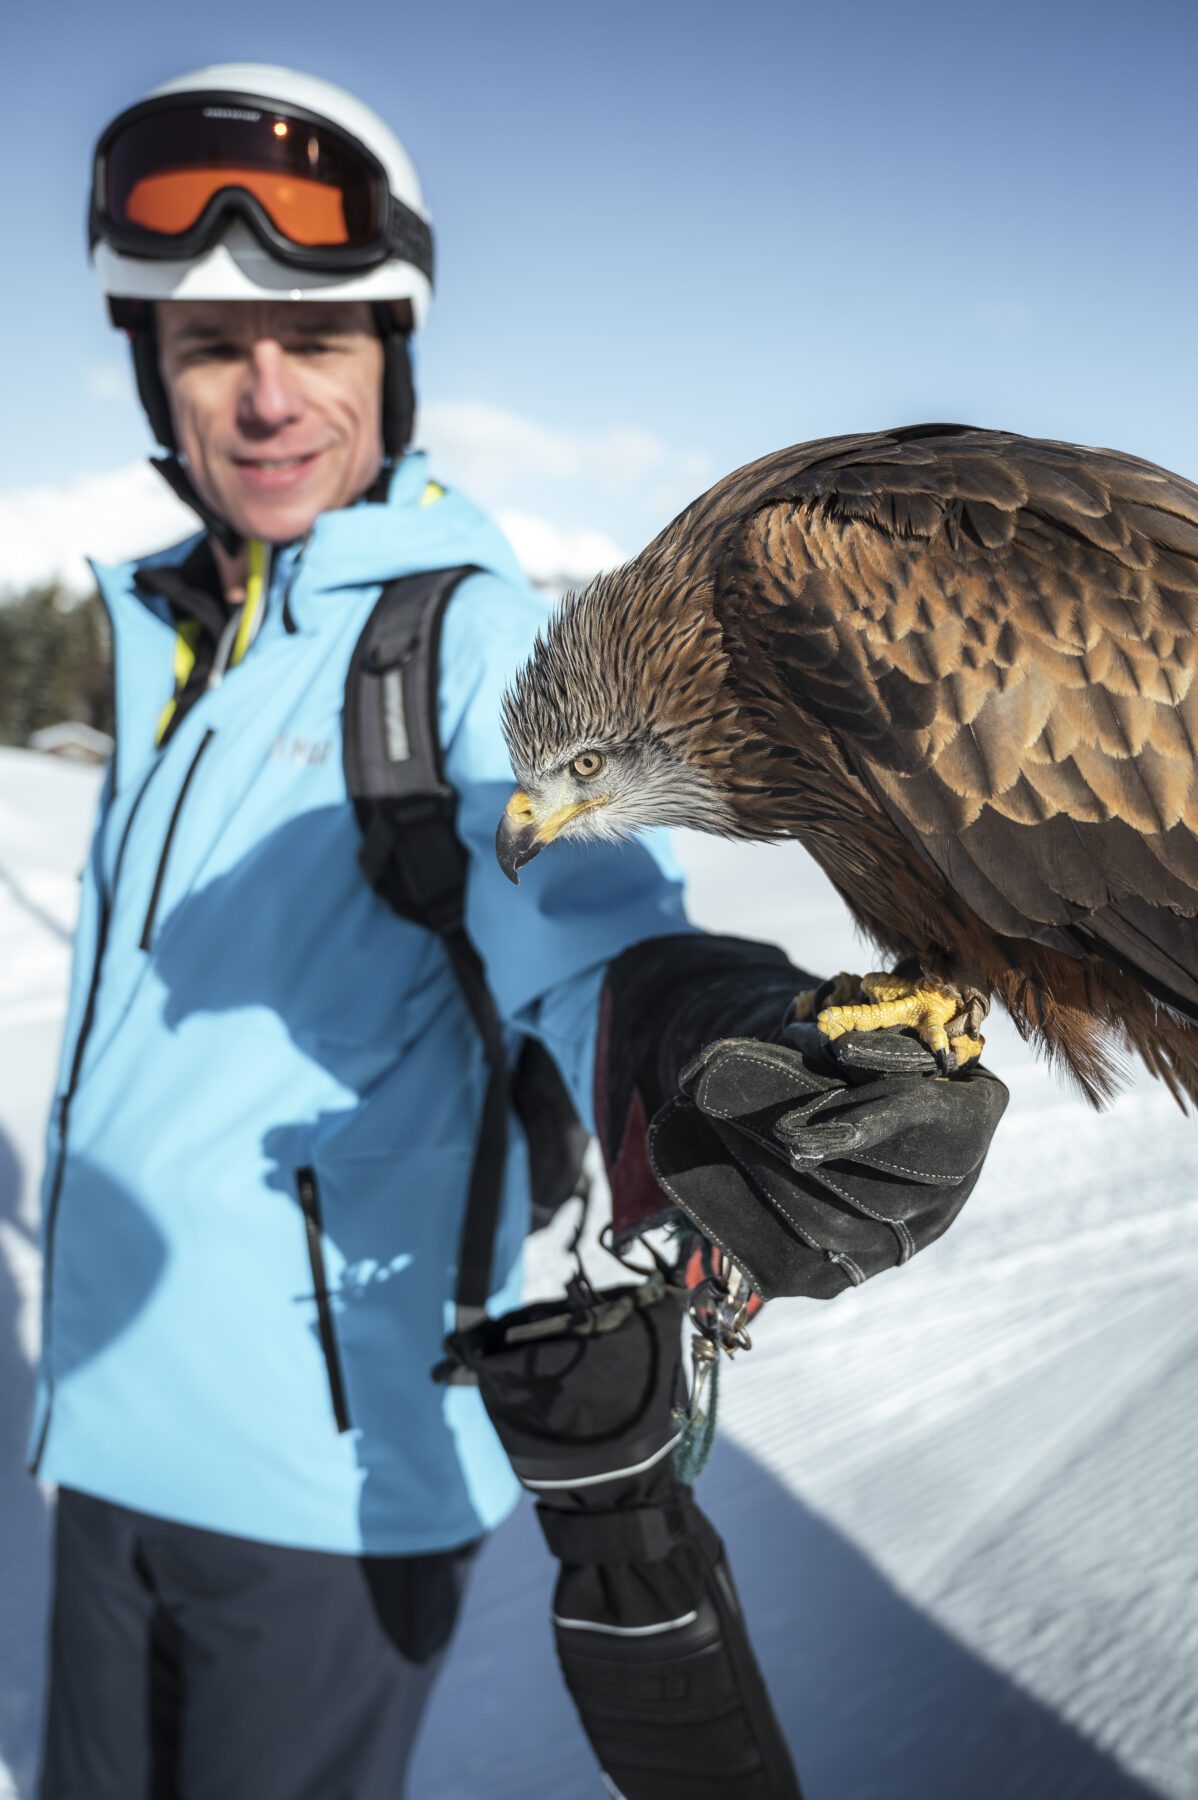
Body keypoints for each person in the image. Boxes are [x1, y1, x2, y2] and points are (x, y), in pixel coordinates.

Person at [34, 63, 1007, 1799]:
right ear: (153, 376)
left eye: (316, 339)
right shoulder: (171, 636)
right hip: (101, 1446)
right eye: (207, 347)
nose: (263, 395)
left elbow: (588, 944)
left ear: (388, 359)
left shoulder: (464, 648)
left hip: (325, 1486)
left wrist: (719, 1046)